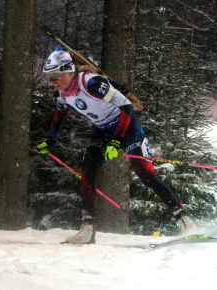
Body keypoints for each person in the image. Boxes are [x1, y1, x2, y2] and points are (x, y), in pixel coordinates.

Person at [34, 46, 195, 244]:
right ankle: (87, 229)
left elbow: (126, 105)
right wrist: (50, 138)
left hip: (127, 127)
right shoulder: (61, 93)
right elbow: (60, 114)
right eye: (49, 77)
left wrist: (116, 139)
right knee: (87, 172)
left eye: (55, 76)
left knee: (146, 175)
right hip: (102, 130)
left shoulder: (91, 82)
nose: (52, 82)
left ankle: (184, 220)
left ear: (69, 71)